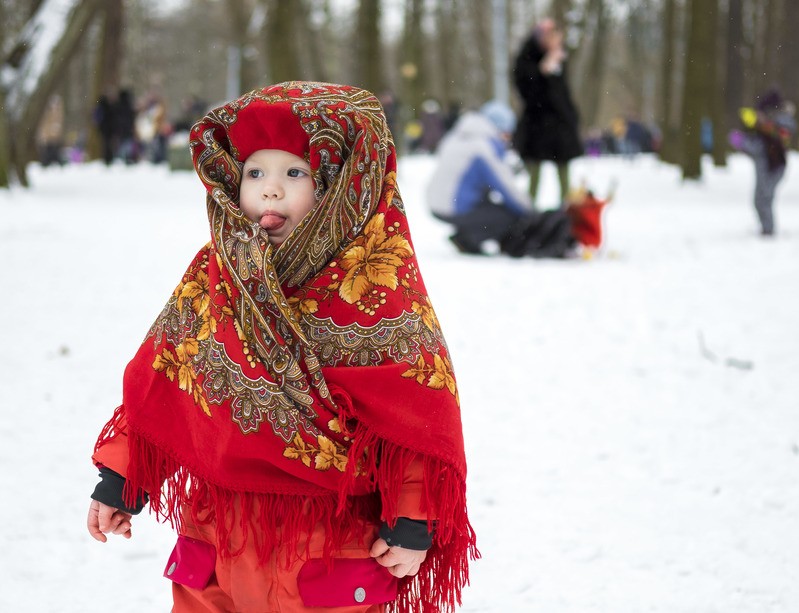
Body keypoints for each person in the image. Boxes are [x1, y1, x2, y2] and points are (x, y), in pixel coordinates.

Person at [86, 82, 476, 612]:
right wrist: (123, 476)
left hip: (332, 543)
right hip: (217, 534)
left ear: (340, 187)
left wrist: (414, 515)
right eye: (255, 174)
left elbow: (412, 409)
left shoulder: (374, 284)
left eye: (294, 173)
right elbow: (167, 369)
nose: (270, 190)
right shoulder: (218, 274)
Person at [426, 100, 575, 258]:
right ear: (498, 128)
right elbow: (506, 188)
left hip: (438, 202)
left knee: (494, 209)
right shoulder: (483, 148)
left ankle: (467, 232)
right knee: (507, 216)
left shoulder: (460, 136)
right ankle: (467, 237)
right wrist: (531, 213)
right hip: (454, 206)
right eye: (507, 133)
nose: (507, 139)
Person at [512, 18, 583, 204]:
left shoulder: (559, 59)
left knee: (564, 175)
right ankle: (529, 216)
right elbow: (526, 89)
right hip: (536, 125)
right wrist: (541, 71)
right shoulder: (527, 58)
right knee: (534, 176)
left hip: (559, 126)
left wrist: (573, 118)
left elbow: (562, 95)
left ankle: (566, 216)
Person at [730, 88, 796, 236]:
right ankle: (766, 227)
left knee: (764, 197)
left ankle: (768, 229)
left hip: (774, 167)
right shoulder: (764, 128)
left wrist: (742, 142)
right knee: (760, 199)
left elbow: (771, 141)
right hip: (766, 165)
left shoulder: (777, 125)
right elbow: (757, 147)